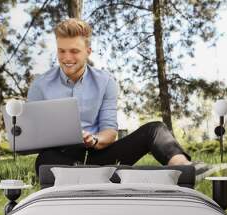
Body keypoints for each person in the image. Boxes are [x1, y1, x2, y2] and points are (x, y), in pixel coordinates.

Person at [28, 18, 191, 176]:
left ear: (88, 52)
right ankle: (104, 176)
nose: (67, 58)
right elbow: (31, 137)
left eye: (74, 51)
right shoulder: (40, 85)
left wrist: (93, 139)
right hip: (61, 158)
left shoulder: (105, 82)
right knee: (44, 159)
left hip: (100, 153)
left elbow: (110, 132)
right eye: (61, 51)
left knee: (154, 129)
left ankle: (183, 169)